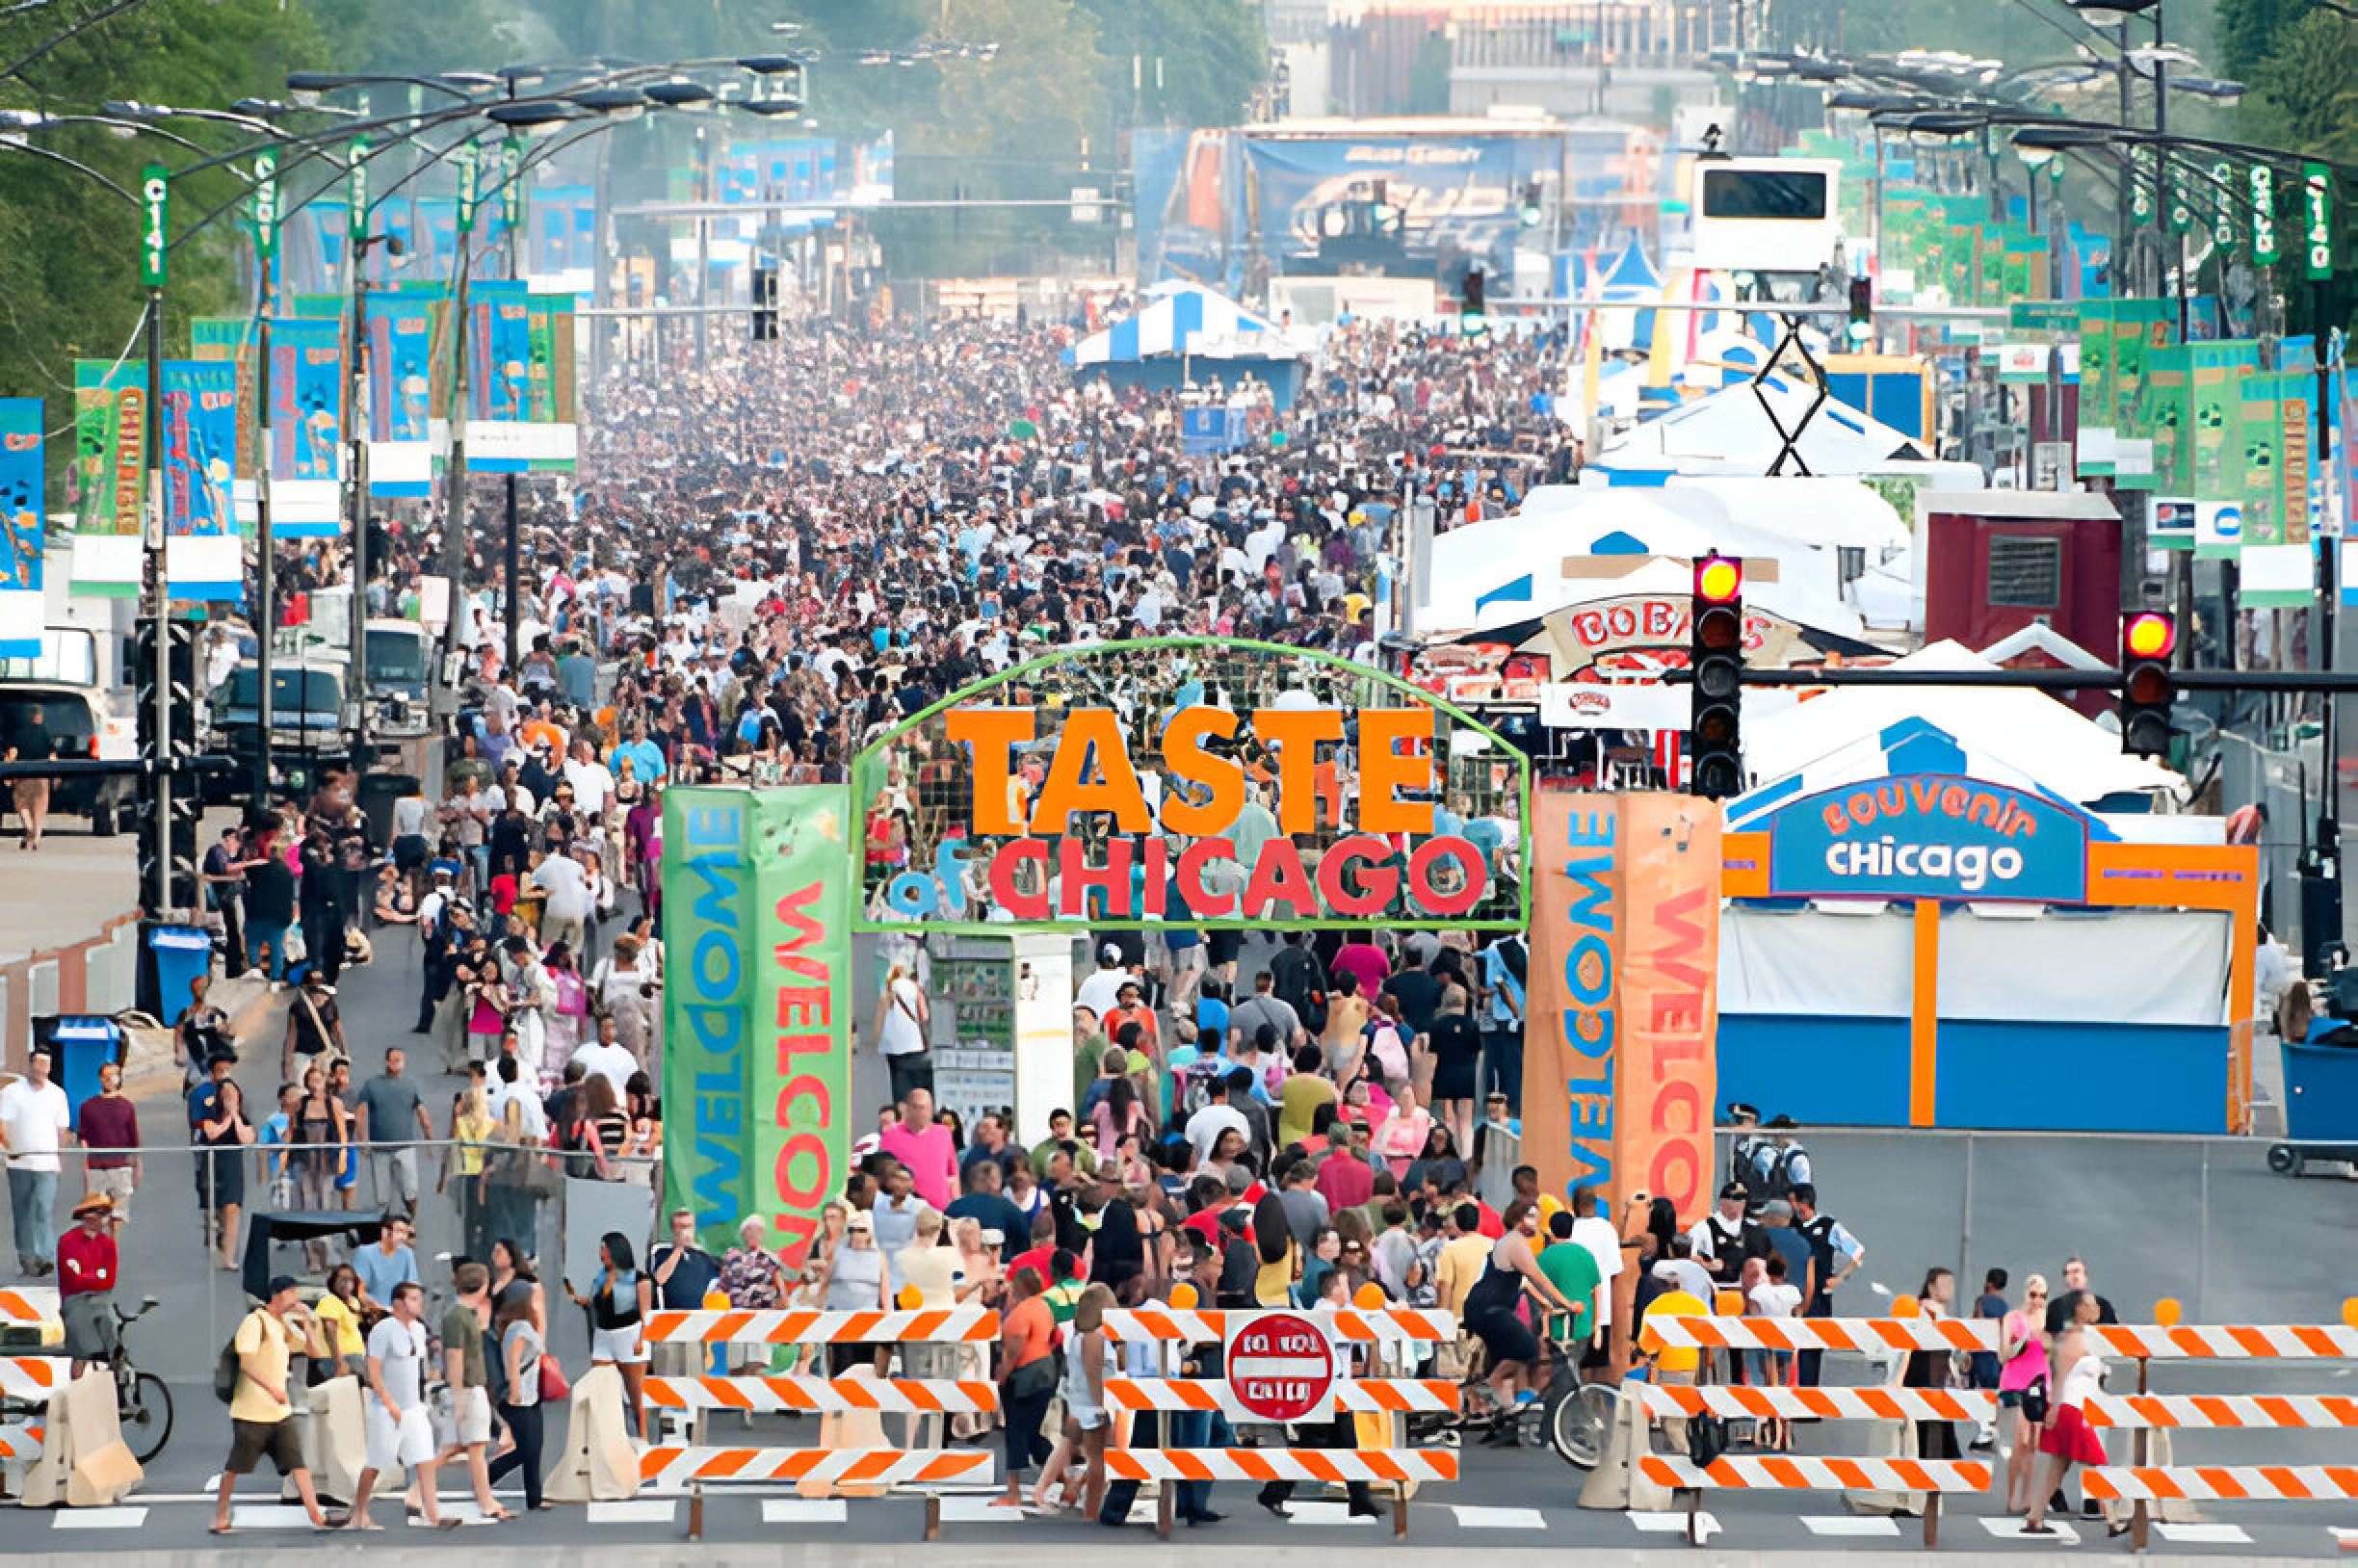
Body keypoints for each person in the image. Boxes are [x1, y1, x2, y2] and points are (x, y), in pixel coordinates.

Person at [215, 1274, 339, 1533]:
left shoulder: (282, 1325)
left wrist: (307, 1325)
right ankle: (221, 1514)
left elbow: (313, 1352)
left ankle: (316, 1515)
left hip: (279, 1412)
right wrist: (272, 1388)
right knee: (235, 1467)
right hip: (251, 1411)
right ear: (280, 1294)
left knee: (298, 1464)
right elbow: (247, 1362)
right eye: (293, 1293)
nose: (296, 1299)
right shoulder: (255, 1322)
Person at [1462, 1200, 1581, 1437]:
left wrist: (1547, 1304)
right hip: (1490, 1307)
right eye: (1531, 1217)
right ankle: (1490, 1386)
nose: (1535, 1222)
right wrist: (1566, 1303)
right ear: (1519, 1219)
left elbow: (1524, 1282)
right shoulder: (1515, 1243)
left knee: (1503, 1359)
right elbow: (1537, 1276)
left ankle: (1502, 1411)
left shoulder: (1510, 1242)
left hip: (1485, 1307)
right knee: (1527, 1348)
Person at [346, 1280, 451, 1530]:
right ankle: (359, 1513)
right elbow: (374, 1369)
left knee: (425, 1460)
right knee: (376, 1462)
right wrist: (388, 1402)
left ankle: (433, 1514)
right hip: (386, 1409)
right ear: (398, 1303)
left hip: (414, 1407)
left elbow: (418, 1365)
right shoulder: (384, 1330)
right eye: (413, 1299)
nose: (419, 1303)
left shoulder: (418, 1329)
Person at [2023, 1288, 2122, 1537]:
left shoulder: (2088, 1337)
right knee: (2095, 1461)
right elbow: (2059, 1376)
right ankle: (2113, 1521)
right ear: (2078, 1310)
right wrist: (2054, 1408)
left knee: (2059, 1465)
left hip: (2075, 1407)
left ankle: (2035, 1517)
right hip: (2070, 1408)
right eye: (2089, 1304)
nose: (2096, 1308)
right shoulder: (2074, 1339)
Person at [434, 1260, 511, 1521]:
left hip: (470, 1388)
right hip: (467, 1389)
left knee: (457, 1447)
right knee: (476, 1447)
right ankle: (485, 1501)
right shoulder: (458, 1317)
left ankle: (416, 1492)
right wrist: (458, 1397)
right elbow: (454, 1358)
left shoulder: (465, 1315)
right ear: (483, 1285)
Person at [567, 1231, 652, 1442]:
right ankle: (611, 1435)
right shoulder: (601, 1277)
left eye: (604, 1248)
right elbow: (595, 1302)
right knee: (602, 1385)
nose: (601, 1253)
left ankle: (643, 1436)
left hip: (629, 1333)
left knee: (636, 1392)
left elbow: (645, 1313)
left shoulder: (638, 1278)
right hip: (604, 1334)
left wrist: (642, 1339)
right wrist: (576, 1297)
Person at [0, 1048, 68, 1276]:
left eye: (46, 1065)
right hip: (20, 1163)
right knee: (22, 1210)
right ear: (30, 1065)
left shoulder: (57, 1094)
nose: (42, 1069)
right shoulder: (12, 1093)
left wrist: (59, 1155)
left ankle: (45, 1255)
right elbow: (2, 1125)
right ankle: (26, 1255)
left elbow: (62, 1129)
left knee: (43, 1206)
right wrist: (9, 1149)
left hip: (47, 1163)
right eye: (38, 1064)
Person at [486, 1281, 552, 1510]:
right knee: (529, 1449)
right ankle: (489, 1475)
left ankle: (535, 1498)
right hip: (521, 1398)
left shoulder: (519, 1326)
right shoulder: (519, 1327)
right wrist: (515, 1393)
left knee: (532, 1449)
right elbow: (513, 1362)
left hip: (530, 1396)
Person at [353, 1047, 431, 1221]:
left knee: (411, 1190)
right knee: (382, 1196)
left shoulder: (410, 1085)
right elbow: (361, 1112)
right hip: (380, 1148)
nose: (397, 1063)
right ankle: (383, 1226)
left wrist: (429, 1137)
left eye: (400, 1060)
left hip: (405, 1147)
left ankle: (412, 1222)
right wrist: (363, 1140)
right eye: (394, 1059)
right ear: (387, 1061)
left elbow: (421, 1110)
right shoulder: (372, 1085)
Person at [192, 1065, 254, 1271]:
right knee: (215, 1210)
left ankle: (229, 1257)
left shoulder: (243, 1119)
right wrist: (227, 1116)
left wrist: (235, 1115)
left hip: (233, 1166)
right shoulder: (211, 1116)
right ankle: (216, 1244)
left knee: (232, 1209)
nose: (230, 1098)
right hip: (213, 1164)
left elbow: (247, 1138)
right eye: (226, 1095)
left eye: (233, 1095)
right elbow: (213, 1133)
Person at [648, 1208, 723, 1377]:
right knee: (668, 1379)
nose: (684, 1231)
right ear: (672, 1229)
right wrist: (678, 1250)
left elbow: (721, 1282)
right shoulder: (660, 1252)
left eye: (688, 1226)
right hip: (667, 1327)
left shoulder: (703, 1257)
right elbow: (659, 1279)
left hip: (695, 1328)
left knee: (693, 1381)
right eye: (680, 1226)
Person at [2001, 1273, 2052, 1514]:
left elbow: (2054, 1353)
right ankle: (2012, 1496)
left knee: (2033, 1444)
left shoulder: (2048, 1320)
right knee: (2020, 1441)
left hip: (2040, 1383)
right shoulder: (2013, 1318)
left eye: (2042, 1296)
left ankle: (2027, 1497)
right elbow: (2002, 1355)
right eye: (2033, 1295)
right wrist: (2017, 1345)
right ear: (2025, 1294)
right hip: (2016, 1383)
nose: (2037, 1300)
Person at [57, 1192, 118, 1372]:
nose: (100, 1220)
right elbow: (72, 1280)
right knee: (81, 1346)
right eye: (97, 1214)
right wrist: (96, 1276)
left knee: (110, 1328)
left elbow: (109, 1280)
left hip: (100, 1297)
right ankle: (78, 1380)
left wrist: (86, 1277)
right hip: (75, 1299)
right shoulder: (68, 1241)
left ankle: (116, 1376)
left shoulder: (108, 1244)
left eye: (103, 1214)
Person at [75, 1060, 139, 1226]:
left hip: (121, 1167)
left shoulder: (127, 1106)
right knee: (97, 1213)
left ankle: (112, 1242)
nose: (109, 1080)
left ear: (119, 1078)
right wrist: (86, 1166)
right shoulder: (87, 1107)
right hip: (97, 1168)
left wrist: (136, 1168)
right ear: (100, 1079)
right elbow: (84, 1139)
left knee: (118, 1214)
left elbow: (134, 1140)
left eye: (113, 1076)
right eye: (106, 1076)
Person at [878, 1086, 957, 1212]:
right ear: (907, 1109)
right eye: (916, 1107)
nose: (922, 1112)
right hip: (905, 1211)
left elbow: (952, 1175)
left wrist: (956, 1206)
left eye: (925, 1107)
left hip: (940, 1211)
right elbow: (880, 1175)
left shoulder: (944, 1133)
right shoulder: (890, 1136)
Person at [873, 961, 932, 1104]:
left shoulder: (887, 991)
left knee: (897, 1080)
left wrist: (874, 1042)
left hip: (891, 1047)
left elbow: (879, 1021)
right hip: (913, 1044)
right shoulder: (914, 988)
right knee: (917, 1085)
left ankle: (900, 1107)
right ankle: (915, 1107)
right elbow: (924, 1016)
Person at [282, 966, 347, 1082]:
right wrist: (287, 1062)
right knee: (301, 1084)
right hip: (303, 1052)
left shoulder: (330, 1004)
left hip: (323, 1052)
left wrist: (343, 1056)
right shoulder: (298, 1006)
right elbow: (292, 1033)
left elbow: (337, 1030)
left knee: (326, 1084)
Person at [353, 1215, 420, 1313]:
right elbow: (360, 1293)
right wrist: (383, 1310)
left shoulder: (407, 1254)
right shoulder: (365, 1252)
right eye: (399, 1231)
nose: (403, 1237)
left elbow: (411, 1288)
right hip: (372, 1313)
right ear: (385, 1231)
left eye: (406, 1233)